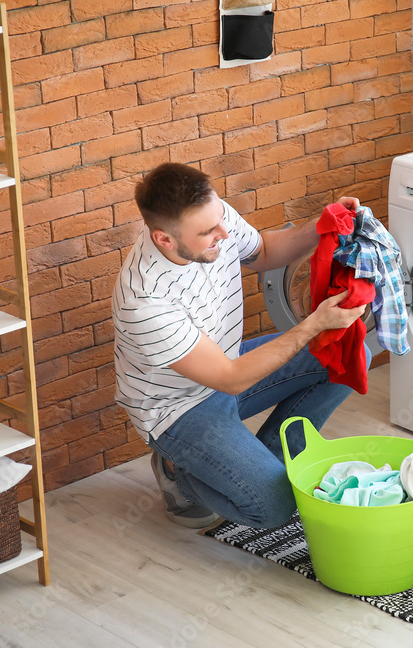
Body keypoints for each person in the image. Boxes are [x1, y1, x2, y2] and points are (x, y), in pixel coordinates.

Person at [112, 162, 371, 529]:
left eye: (221, 218)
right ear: (164, 239)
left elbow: (262, 251)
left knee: (349, 354)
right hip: (179, 408)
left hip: (227, 366)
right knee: (275, 509)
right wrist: (313, 324)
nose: (224, 231)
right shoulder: (144, 300)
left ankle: (271, 462)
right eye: (208, 232)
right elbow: (230, 379)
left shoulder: (211, 217)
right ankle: (178, 472)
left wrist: (322, 225)